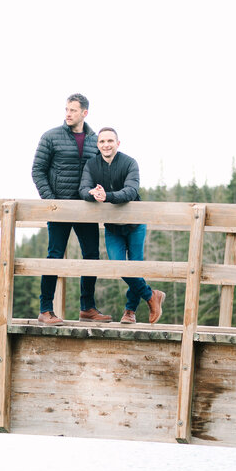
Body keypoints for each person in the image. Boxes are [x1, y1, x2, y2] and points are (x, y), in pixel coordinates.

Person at [31, 94, 112, 325]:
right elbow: (37, 170)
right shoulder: (51, 137)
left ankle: (87, 308)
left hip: (86, 208)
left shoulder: (94, 140)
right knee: (54, 256)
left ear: (84, 113)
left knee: (92, 257)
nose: (68, 114)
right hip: (59, 207)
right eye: (66, 109)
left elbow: (101, 170)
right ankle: (46, 309)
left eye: (73, 110)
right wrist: (51, 201)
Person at [79, 127, 165, 325]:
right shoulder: (92, 165)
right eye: (102, 142)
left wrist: (107, 196)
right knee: (119, 265)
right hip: (112, 227)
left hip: (135, 223)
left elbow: (131, 191)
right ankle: (152, 295)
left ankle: (129, 311)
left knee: (134, 267)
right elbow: (83, 188)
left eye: (110, 141)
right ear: (98, 145)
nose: (106, 145)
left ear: (118, 143)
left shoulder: (129, 163)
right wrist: (92, 193)